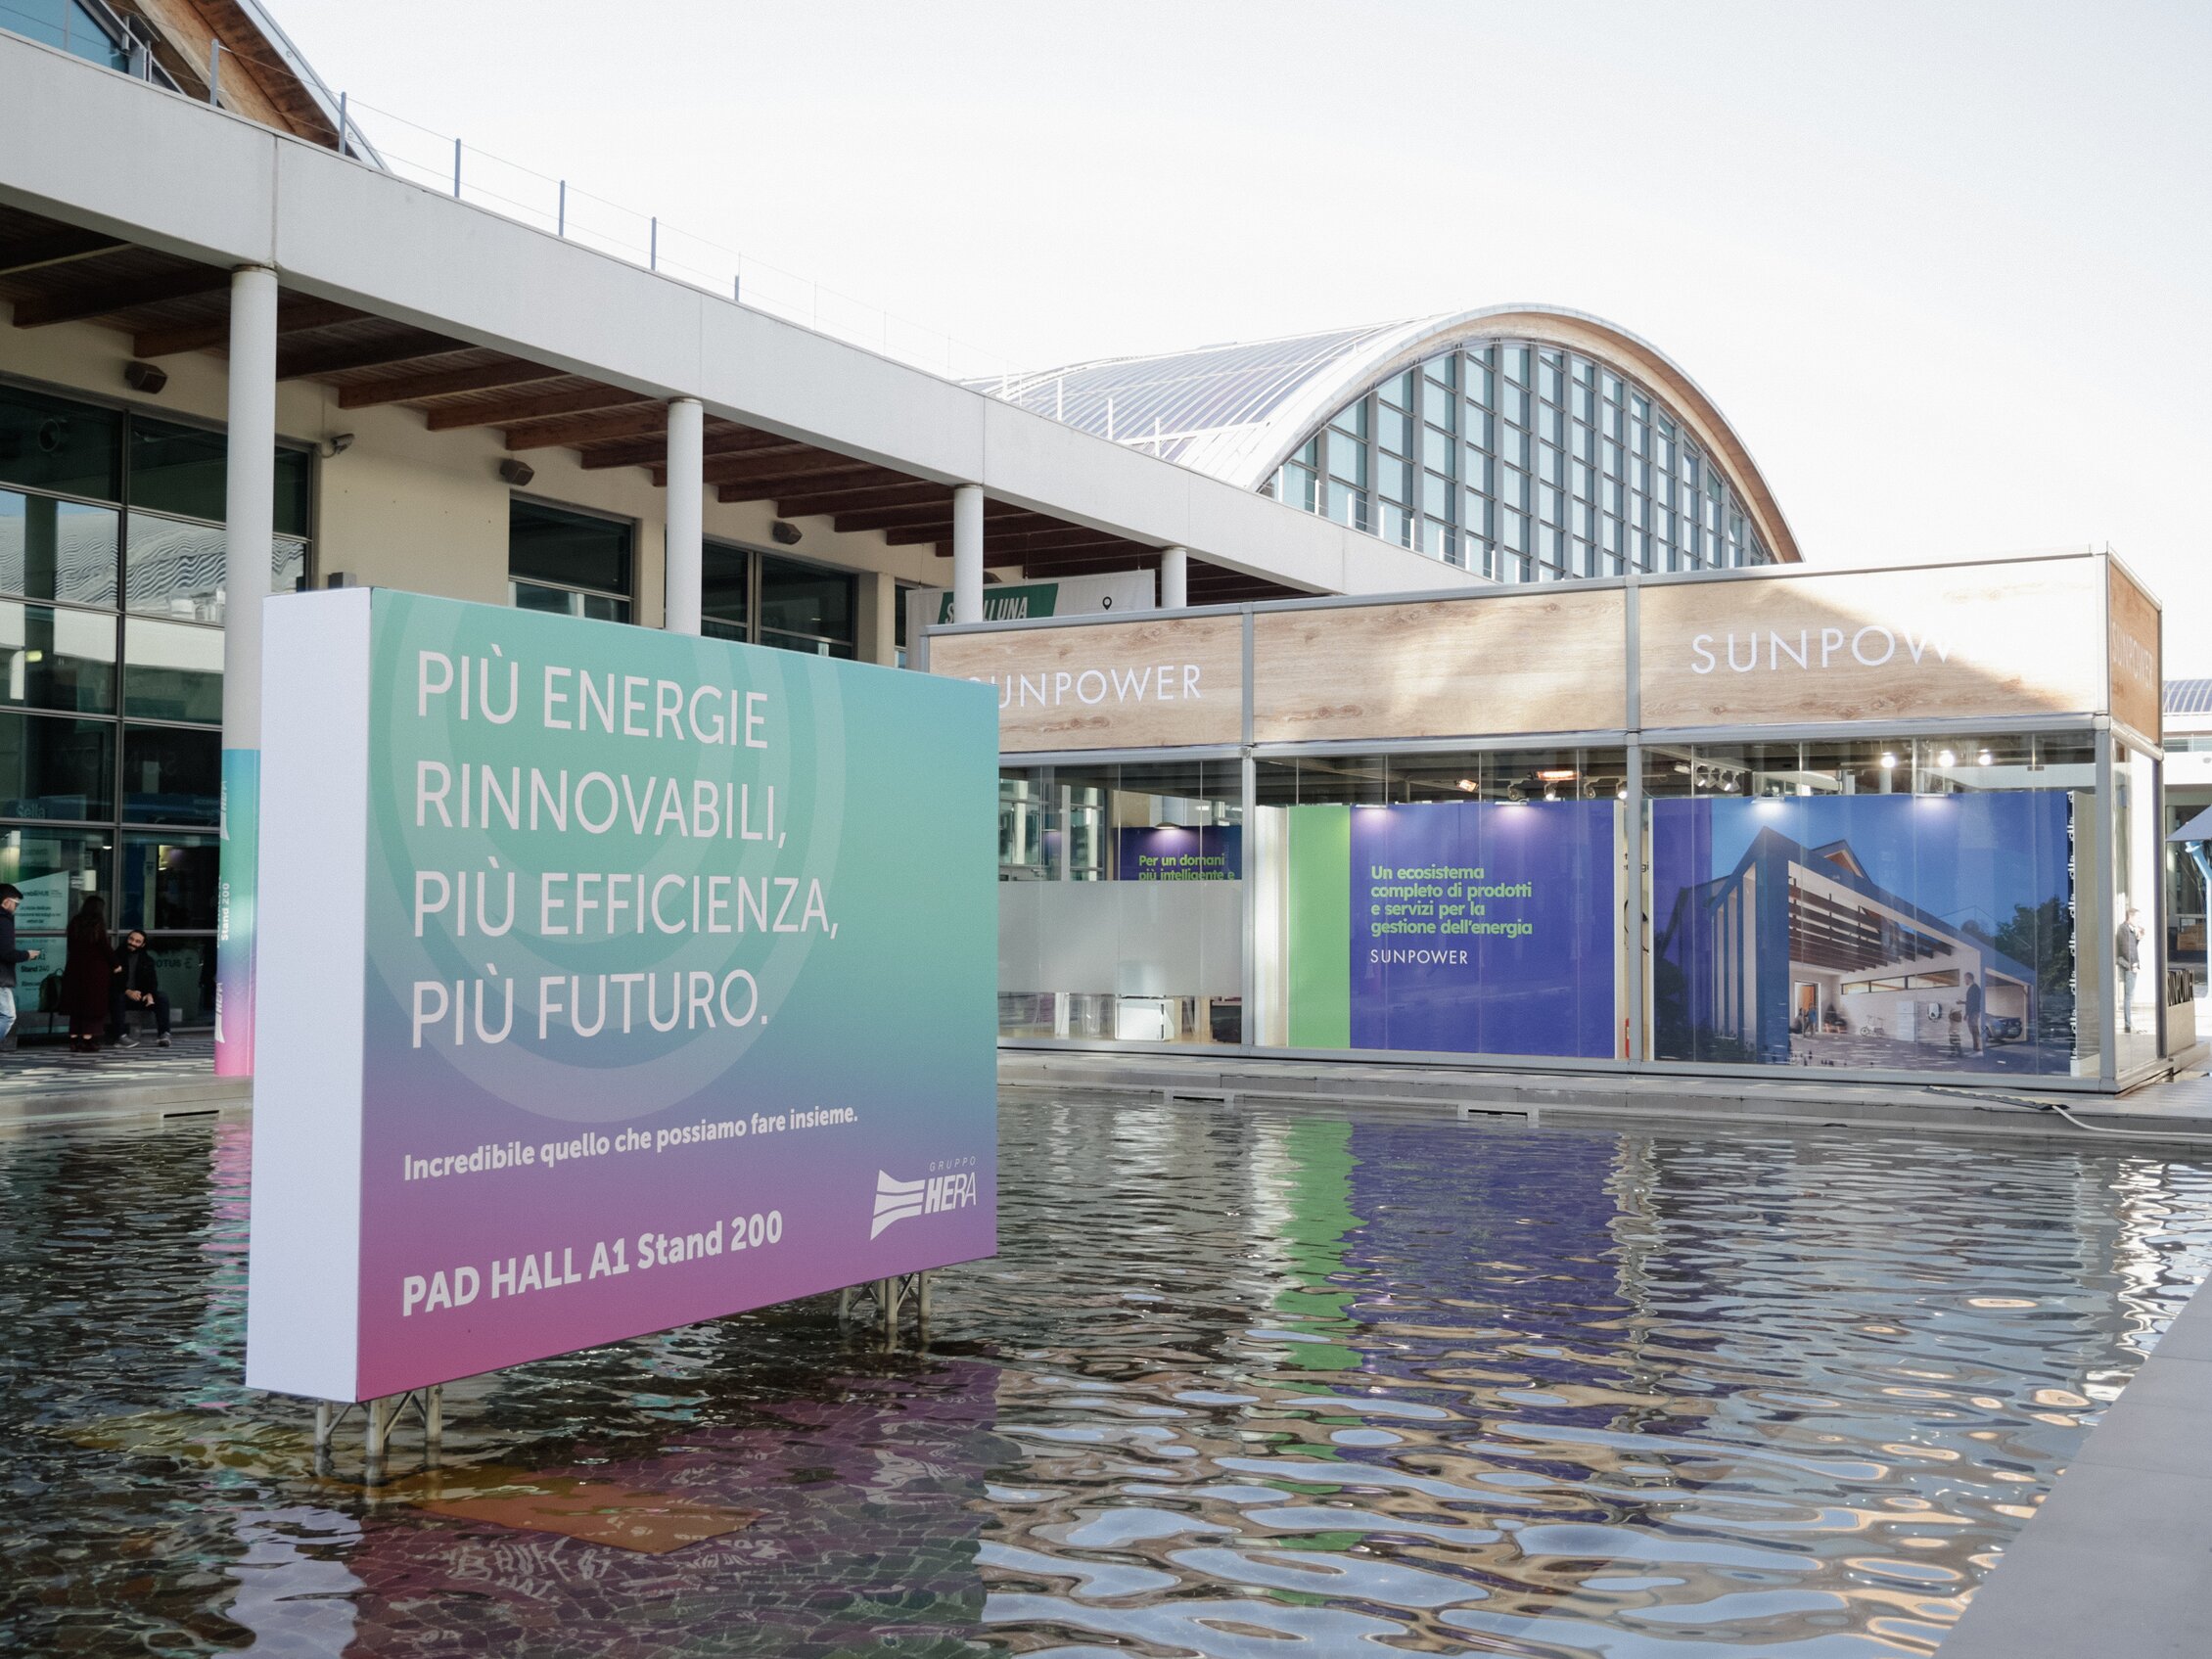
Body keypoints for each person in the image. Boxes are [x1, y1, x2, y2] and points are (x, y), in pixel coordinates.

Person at [58, 896, 114, 1056]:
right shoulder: (97, 924)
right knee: (92, 1007)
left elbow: (71, 946)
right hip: (94, 972)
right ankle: (88, 1040)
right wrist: (116, 964)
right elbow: (104, 946)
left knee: (75, 1006)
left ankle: (73, 1040)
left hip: (75, 969)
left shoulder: (75, 922)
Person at [108, 930, 170, 1048]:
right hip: (121, 997)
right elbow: (112, 982)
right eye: (131, 939)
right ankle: (120, 1036)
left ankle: (164, 1034)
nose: (132, 943)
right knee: (118, 996)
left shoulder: (147, 960)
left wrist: (150, 994)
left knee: (162, 997)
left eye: (137, 941)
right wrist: (127, 991)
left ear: (142, 944)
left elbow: (152, 981)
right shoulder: (116, 957)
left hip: (139, 997)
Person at [0, 883, 41, 1048]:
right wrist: (26, 955)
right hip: (1, 977)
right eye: (16, 903)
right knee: (8, 1015)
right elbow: (6, 952)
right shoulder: (4, 921)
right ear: (5, 902)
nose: (16, 908)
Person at [2117, 907, 2143, 1035]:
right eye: (2137, 918)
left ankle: (2129, 1023)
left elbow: (2132, 947)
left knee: (2129, 995)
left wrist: (2138, 937)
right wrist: (2133, 964)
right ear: (2130, 917)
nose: (2138, 920)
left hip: (2131, 964)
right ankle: (2128, 1023)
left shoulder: (2129, 930)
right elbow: (2126, 949)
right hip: (2128, 965)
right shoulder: (2124, 929)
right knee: (2128, 996)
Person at [1963, 972, 1983, 1054]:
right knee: (1974, 1030)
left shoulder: (1974, 988)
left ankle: (1977, 1048)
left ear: (1968, 978)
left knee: (1974, 1030)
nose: (1964, 980)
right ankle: (1976, 1047)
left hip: (1973, 1012)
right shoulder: (1974, 988)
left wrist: (1967, 1014)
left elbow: (1973, 1002)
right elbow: (1970, 1001)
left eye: (1965, 979)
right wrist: (1962, 1002)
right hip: (1974, 1011)